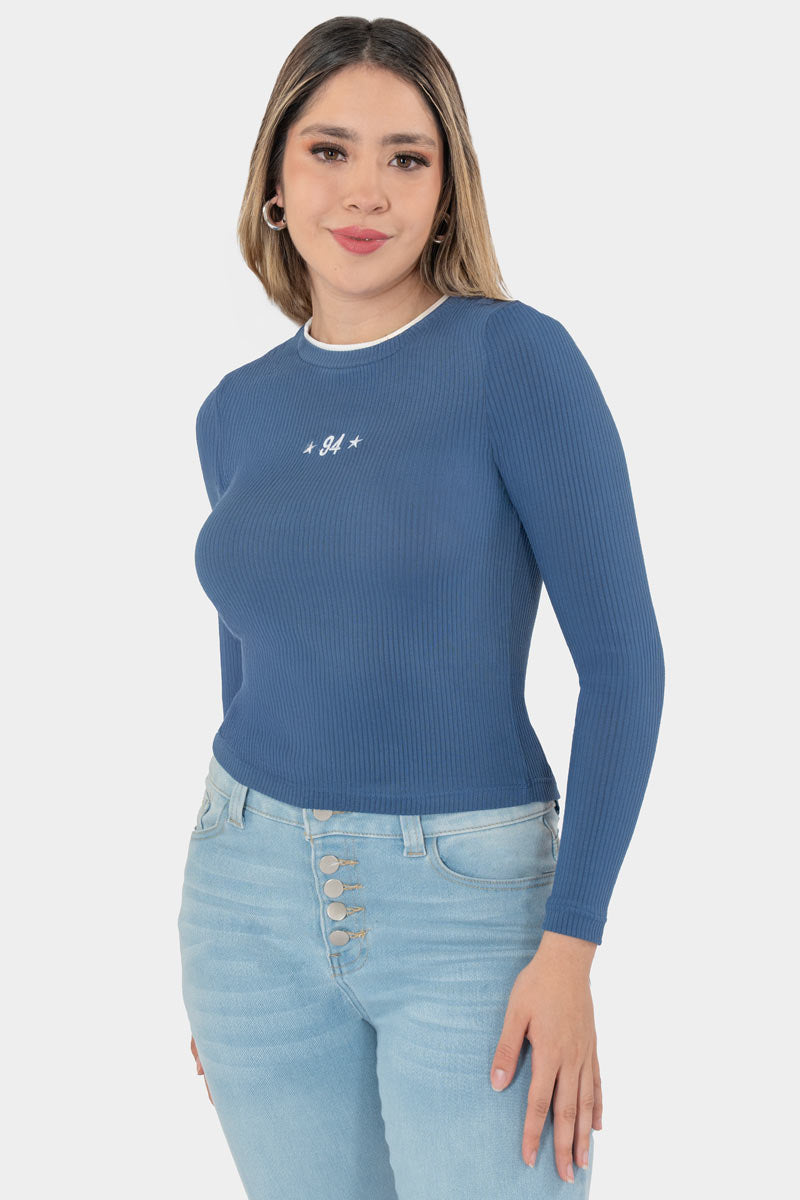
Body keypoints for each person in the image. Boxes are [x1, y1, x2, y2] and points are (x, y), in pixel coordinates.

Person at [177, 16, 665, 1200]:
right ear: (275, 181)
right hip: (245, 903)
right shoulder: (234, 409)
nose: (367, 190)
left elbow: (623, 668)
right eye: (328, 150)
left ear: (447, 192)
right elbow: (254, 652)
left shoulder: (514, 361)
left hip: (467, 916)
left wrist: (570, 946)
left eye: (407, 157)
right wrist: (239, 942)